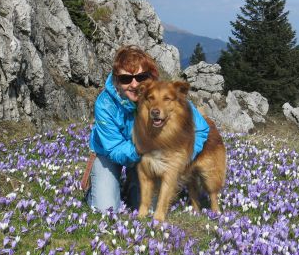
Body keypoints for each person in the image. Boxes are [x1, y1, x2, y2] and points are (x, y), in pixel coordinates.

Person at [86, 45, 210, 212]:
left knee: (149, 210)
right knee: (105, 209)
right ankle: (95, 189)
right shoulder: (105, 104)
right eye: (125, 79)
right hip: (110, 154)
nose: (134, 84)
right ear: (116, 80)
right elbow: (114, 149)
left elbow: (200, 129)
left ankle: (131, 187)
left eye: (141, 77)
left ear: (150, 77)